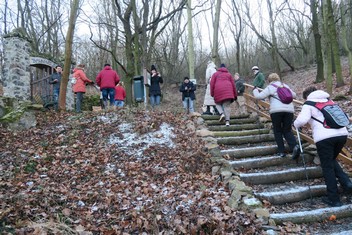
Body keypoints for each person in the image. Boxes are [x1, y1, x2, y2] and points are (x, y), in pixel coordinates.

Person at [294, 86, 352, 207]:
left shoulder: (308, 104)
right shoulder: (330, 101)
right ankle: (347, 183)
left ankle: (334, 199)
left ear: (307, 97)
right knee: (330, 161)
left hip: (325, 138)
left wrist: (295, 123)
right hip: (342, 135)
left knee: (327, 167)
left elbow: (301, 121)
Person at [252, 73, 299, 158]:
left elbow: (259, 96)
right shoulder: (285, 86)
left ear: (269, 80)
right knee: (287, 130)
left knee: (277, 130)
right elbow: (294, 95)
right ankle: (295, 146)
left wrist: (255, 90)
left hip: (276, 111)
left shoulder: (270, 87)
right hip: (289, 111)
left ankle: (281, 151)